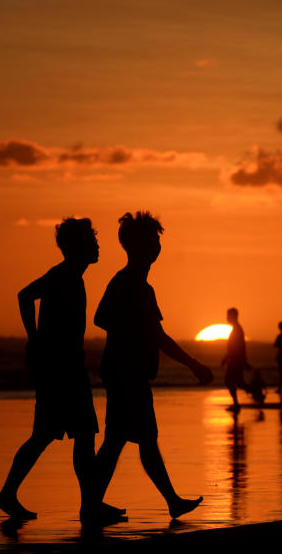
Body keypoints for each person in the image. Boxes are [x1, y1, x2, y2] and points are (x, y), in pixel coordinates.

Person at [94, 211, 214, 520]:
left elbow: (146, 331)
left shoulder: (132, 284)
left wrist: (191, 363)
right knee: (140, 439)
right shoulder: (132, 284)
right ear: (142, 247)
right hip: (127, 372)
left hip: (123, 370)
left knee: (118, 440)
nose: (158, 246)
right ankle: (170, 501)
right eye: (154, 241)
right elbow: (114, 322)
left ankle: (92, 504)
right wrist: (194, 364)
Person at [0, 217, 112, 522]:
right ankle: (88, 506)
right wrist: (34, 339)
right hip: (61, 369)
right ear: (78, 247)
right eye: (92, 242)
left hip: (66, 366)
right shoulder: (62, 276)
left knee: (69, 435)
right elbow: (24, 296)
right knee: (66, 434)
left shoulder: (73, 276)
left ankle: (88, 504)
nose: (98, 246)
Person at [221, 308, 250, 411]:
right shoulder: (236, 329)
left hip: (235, 361)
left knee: (230, 381)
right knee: (238, 382)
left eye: (228, 315)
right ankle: (256, 394)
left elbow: (239, 347)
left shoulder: (237, 330)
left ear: (234, 316)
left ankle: (237, 404)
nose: (227, 318)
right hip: (235, 360)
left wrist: (242, 361)